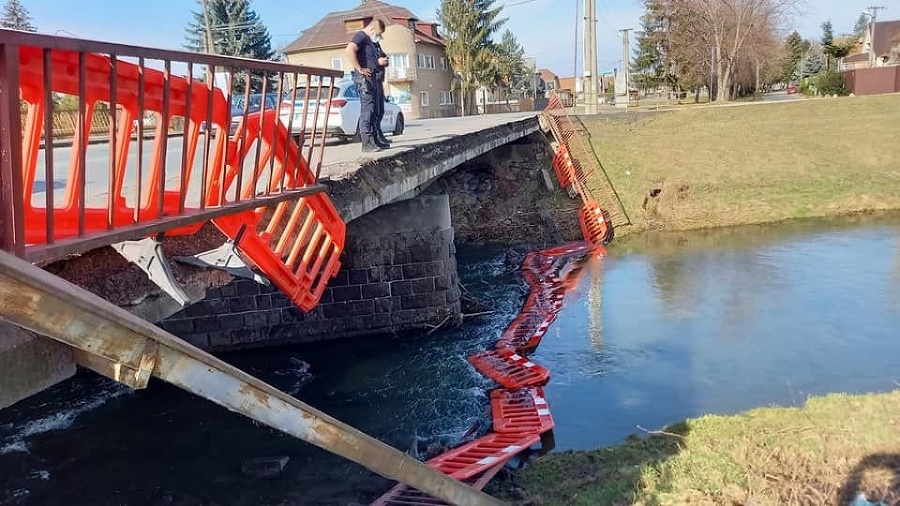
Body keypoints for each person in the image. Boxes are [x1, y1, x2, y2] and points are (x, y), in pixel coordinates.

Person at [345, 18, 389, 152]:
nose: (378, 36)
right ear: (372, 29)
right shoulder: (361, 36)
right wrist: (359, 68)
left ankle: (375, 140)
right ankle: (366, 143)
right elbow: (349, 50)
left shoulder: (369, 41)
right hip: (365, 82)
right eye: (378, 33)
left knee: (375, 112)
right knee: (367, 112)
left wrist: (378, 62)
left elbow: (371, 60)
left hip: (373, 81)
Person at [372, 40, 392, 146]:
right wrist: (377, 62)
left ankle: (380, 134)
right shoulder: (367, 47)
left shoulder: (377, 47)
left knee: (380, 111)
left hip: (379, 82)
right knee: (375, 112)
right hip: (373, 82)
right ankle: (376, 137)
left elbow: (384, 60)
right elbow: (367, 62)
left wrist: (385, 60)